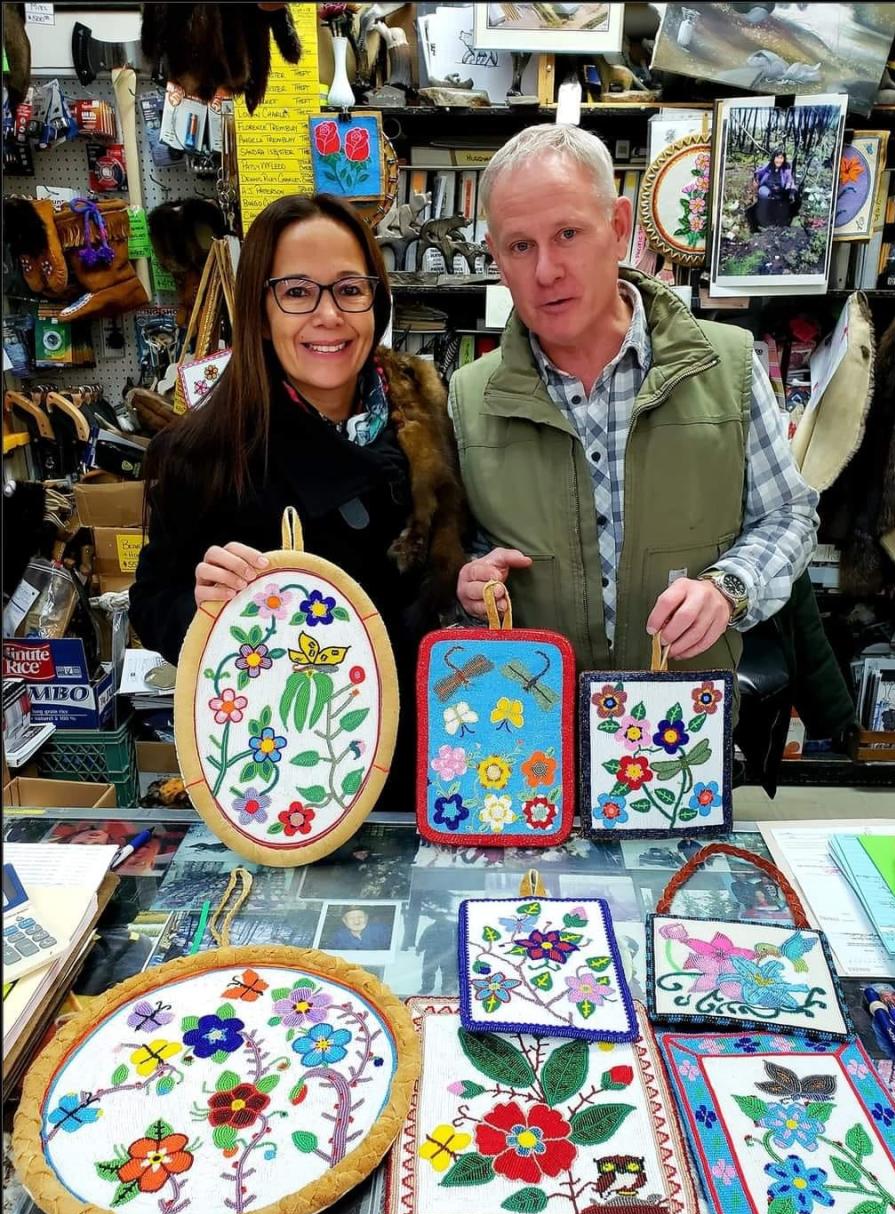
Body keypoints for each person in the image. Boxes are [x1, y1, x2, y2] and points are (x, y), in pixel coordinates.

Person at [130, 194, 468, 810]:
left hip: (427, 769)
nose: (328, 315)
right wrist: (202, 607)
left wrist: (468, 580)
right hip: (285, 779)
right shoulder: (203, 452)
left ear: (376, 300)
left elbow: (439, 578)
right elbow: (152, 603)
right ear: (259, 310)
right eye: (296, 292)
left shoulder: (427, 420)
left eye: (349, 289)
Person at [450, 124, 819, 690]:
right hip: (530, 732)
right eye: (521, 246)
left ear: (618, 227)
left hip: (678, 729)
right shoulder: (468, 398)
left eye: (568, 233)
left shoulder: (728, 367)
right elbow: (470, 546)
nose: (546, 270)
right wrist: (471, 582)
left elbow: (786, 515)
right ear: (498, 259)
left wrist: (730, 588)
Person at [752, 149, 797, 229]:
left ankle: (780, 222)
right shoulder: (768, 166)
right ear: (773, 158)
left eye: (781, 158)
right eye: (777, 158)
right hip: (767, 188)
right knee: (764, 194)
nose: (779, 160)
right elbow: (758, 172)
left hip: (780, 191)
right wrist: (756, 180)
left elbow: (790, 181)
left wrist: (791, 192)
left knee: (783, 203)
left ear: (783, 159)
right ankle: (763, 221)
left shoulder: (786, 168)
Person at [327, 905, 392, 951]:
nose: (357, 922)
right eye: (351, 918)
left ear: (366, 917)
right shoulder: (338, 937)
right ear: (344, 920)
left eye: (360, 917)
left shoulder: (382, 930)